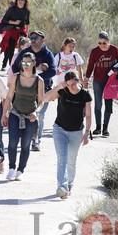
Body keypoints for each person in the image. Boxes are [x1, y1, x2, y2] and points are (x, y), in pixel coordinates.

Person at [43, 71, 93, 199]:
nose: (72, 86)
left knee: (71, 160)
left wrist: (87, 133)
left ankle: (70, 184)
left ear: (78, 81)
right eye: (69, 83)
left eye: (74, 82)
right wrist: (58, 87)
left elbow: (88, 115)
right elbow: (45, 98)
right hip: (60, 129)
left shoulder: (85, 95)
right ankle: (62, 186)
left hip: (76, 132)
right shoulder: (62, 91)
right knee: (62, 158)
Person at [2, 52, 44, 181]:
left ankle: (20, 169)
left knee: (25, 145)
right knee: (13, 143)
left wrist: (35, 112)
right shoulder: (15, 77)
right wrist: (4, 114)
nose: (25, 65)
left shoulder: (39, 81)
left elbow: (41, 101)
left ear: (33, 64)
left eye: (28, 63)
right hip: (15, 113)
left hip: (30, 117)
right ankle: (11, 168)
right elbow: (9, 97)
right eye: (23, 63)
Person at [11, 31, 56, 150]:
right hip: (24, 89)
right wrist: (29, 74)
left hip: (42, 88)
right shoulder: (25, 52)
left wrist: (38, 77)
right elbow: (15, 67)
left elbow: (53, 71)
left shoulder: (47, 54)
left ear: (43, 40)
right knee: (22, 113)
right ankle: (24, 138)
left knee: (39, 115)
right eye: (31, 37)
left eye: (36, 38)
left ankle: (36, 140)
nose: (33, 39)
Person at [83, 31, 118, 138]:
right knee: (98, 104)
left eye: (104, 43)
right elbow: (91, 65)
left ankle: (105, 128)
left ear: (108, 42)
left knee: (108, 104)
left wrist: (115, 70)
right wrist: (87, 77)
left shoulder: (114, 49)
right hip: (98, 80)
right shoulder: (95, 51)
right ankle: (98, 127)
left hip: (110, 81)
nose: (102, 45)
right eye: (99, 43)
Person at [0, 0, 30, 69]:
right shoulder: (12, 9)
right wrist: (14, 22)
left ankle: (15, 64)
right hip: (11, 30)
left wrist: (27, 34)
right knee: (9, 47)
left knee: (22, 49)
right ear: (16, 0)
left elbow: (27, 23)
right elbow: (4, 20)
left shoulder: (26, 11)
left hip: (21, 31)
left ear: (25, 1)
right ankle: (8, 64)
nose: (20, 1)